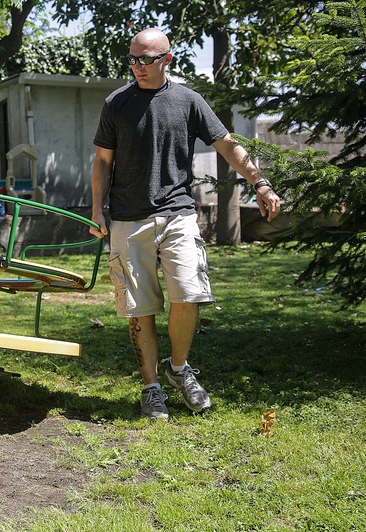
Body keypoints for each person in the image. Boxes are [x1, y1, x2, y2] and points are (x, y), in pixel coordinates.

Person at [90, 28, 281, 420]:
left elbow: (227, 143)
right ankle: (151, 387)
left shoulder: (188, 101)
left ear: (167, 59)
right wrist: (96, 209)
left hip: (178, 213)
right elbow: (102, 161)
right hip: (128, 217)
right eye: (133, 59)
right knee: (138, 306)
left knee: (189, 293)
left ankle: (178, 369)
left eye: (146, 59)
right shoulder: (117, 103)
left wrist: (259, 182)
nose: (137, 67)